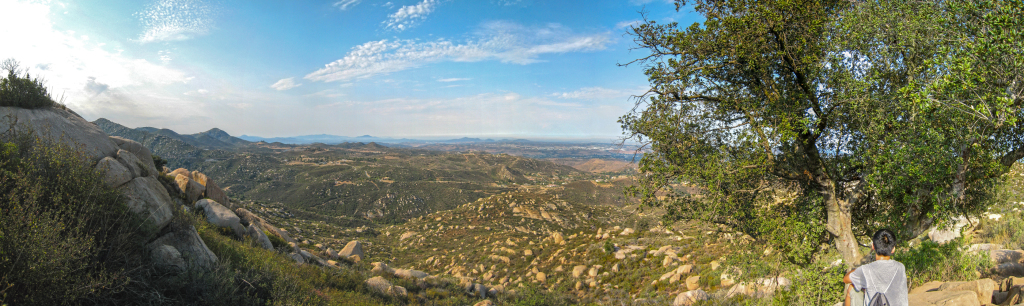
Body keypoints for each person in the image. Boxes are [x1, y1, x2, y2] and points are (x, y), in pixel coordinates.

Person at [843, 229, 908, 306]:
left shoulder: (866, 270)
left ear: (873, 246)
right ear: (893, 249)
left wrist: (858, 270)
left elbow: (845, 279)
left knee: (852, 288)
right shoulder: (900, 267)